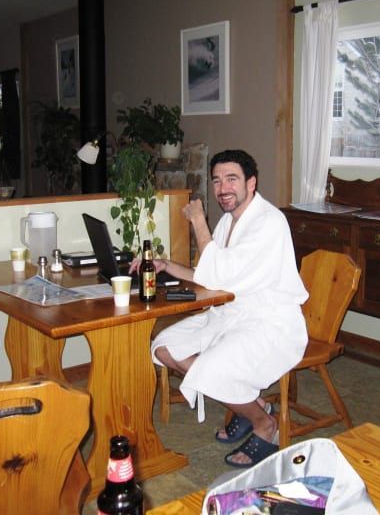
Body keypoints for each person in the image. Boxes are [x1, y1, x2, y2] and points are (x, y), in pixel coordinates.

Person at [132, 149, 308, 468]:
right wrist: (165, 265)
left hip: (269, 321)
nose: (222, 188)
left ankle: (265, 425)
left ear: (251, 183)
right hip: (229, 312)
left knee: (212, 369)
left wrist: (199, 220)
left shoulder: (268, 222)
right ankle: (250, 403)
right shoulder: (229, 221)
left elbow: (217, 274)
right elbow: (210, 275)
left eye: (232, 179)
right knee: (164, 348)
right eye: (216, 181)